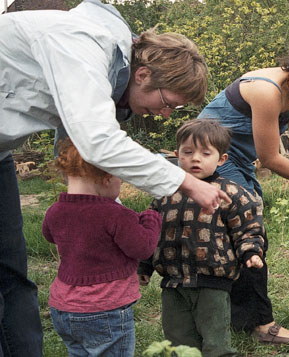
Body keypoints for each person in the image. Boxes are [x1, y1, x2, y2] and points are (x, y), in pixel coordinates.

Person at [1, 2, 224, 354]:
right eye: (168, 102)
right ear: (143, 75)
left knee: (10, 274)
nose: (165, 114)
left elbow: (73, 142)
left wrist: (108, 208)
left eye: (175, 110)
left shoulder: (105, 71)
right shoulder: (82, 46)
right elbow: (96, 142)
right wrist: (189, 182)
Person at [196, 31, 289, 342]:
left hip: (238, 158)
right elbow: (270, 158)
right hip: (209, 155)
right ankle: (261, 325)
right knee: (249, 229)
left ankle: (235, 318)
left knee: (241, 236)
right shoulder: (266, 91)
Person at [138, 119, 267, 355]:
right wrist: (144, 265)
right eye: (188, 152)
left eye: (205, 153)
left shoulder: (231, 193)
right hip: (172, 282)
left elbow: (247, 227)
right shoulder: (166, 192)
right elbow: (152, 230)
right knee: (179, 342)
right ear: (177, 155)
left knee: (215, 341)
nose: (196, 158)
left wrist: (251, 251)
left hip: (212, 282)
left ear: (221, 159)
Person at [42, 138, 161, 356]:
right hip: (104, 309)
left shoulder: (55, 211)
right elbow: (143, 248)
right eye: (121, 180)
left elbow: (49, 235)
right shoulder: (115, 214)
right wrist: (152, 218)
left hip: (63, 308)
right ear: (108, 178)